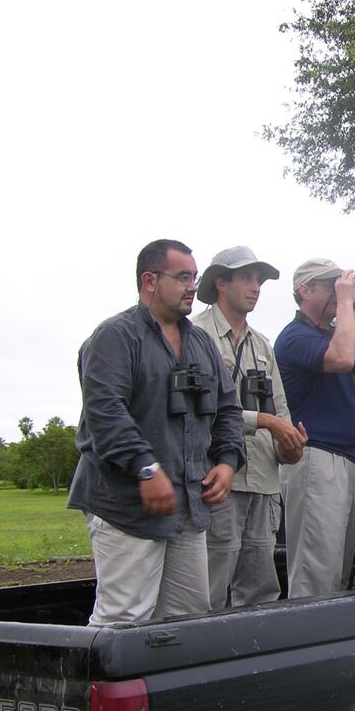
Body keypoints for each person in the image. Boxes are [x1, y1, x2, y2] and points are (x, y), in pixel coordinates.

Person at [67, 239, 245, 626]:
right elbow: (104, 413)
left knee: (187, 620)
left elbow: (229, 409)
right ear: (150, 280)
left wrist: (228, 461)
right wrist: (146, 468)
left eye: (194, 277)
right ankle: (96, 688)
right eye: (182, 277)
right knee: (123, 618)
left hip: (187, 506)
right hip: (126, 506)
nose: (192, 286)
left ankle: (170, 690)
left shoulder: (201, 343)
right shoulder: (114, 337)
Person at [193, 246, 308, 609]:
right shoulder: (196, 335)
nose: (256, 287)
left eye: (258, 280)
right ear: (220, 283)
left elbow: (281, 411)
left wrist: (290, 446)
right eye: (246, 278)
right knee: (208, 587)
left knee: (259, 591)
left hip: (263, 481)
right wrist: (268, 422)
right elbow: (202, 409)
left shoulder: (262, 345)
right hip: (217, 478)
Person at [275, 259, 355, 597]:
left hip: (343, 459)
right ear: (304, 291)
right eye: (330, 286)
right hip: (315, 457)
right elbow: (340, 358)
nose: (339, 293)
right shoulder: (295, 337)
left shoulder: (334, 335)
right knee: (314, 577)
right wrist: (347, 303)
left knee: (335, 572)